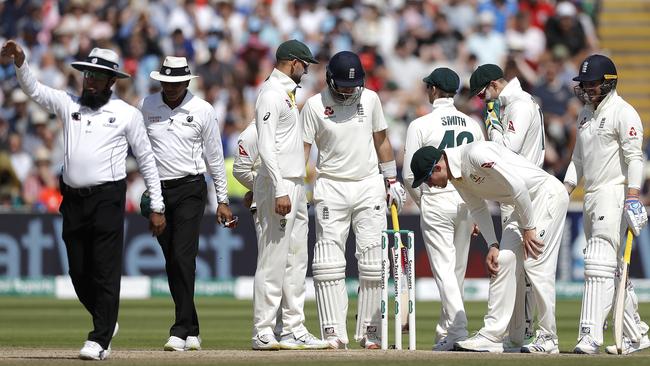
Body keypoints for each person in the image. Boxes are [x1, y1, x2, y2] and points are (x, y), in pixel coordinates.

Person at [1, 40, 166, 360]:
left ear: (111, 81)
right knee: (78, 271)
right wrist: (21, 62)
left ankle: (100, 338)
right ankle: (106, 319)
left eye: (97, 75)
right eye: (87, 73)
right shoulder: (69, 103)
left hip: (108, 197)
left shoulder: (126, 114)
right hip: (73, 199)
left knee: (105, 268)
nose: (90, 79)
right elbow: (35, 90)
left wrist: (157, 205)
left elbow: (146, 160)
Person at [410, 141, 568, 354]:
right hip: (520, 206)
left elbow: (518, 185)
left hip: (545, 196)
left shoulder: (476, 155)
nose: (429, 185)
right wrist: (492, 244)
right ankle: (492, 336)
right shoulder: (457, 177)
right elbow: (477, 207)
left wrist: (529, 227)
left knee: (535, 264)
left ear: (437, 167)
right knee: (503, 261)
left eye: (428, 179)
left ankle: (549, 338)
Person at [302, 50, 407, 349]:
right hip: (330, 186)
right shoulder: (313, 106)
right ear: (330, 80)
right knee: (328, 263)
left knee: (374, 262)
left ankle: (370, 332)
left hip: (368, 184)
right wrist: (297, 187)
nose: (349, 90)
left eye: (354, 85)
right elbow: (303, 149)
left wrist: (391, 179)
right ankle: (333, 331)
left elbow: (382, 140)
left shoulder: (370, 99)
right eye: (344, 85)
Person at [139, 56, 234, 352]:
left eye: (176, 82)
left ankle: (179, 330)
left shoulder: (202, 109)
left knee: (183, 257)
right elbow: (139, 147)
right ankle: (191, 326)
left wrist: (222, 200)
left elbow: (215, 157)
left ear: (186, 82)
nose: (170, 87)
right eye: (165, 82)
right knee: (172, 261)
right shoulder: (147, 105)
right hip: (158, 190)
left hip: (191, 187)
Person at [565, 54, 650, 355]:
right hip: (590, 195)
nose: (586, 89)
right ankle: (635, 333)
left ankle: (590, 335)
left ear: (608, 83)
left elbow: (634, 158)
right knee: (614, 271)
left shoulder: (624, 113)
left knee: (598, 265)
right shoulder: (585, 113)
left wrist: (633, 195)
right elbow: (578, 157)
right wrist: (565, 191)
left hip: (614, 194)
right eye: (584, 84)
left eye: (591, 84)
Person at [251, 39, 328, 350]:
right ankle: (263, 330)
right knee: (273, 260)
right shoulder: (270, 94)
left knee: (296, 259)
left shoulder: (285, 94)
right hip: (279, 184)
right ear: (293, 63)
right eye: (304, 65)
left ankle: (293, 328)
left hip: (295, 184)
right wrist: (281, 187)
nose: (306, 70)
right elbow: (266, 146)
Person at [402, 67, 484, 351]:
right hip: (466, 199)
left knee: (445, 271)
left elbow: (408, 175)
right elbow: (480, 170)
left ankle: (458, 330)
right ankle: (445, 332)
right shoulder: (472, 124)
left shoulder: (421, 125)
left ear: (434, 91)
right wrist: (476, 211)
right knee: (456, 271)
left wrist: (424, 200)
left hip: (436, 197)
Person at [469, 63, 545, 351]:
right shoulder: (515, 103)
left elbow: (507, 151)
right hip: (516, 192)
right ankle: (516, 335)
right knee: (516, 268)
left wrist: (491, 123)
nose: (482, 100)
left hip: (520, 193)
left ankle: (509, 333)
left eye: (482, 94)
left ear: (493, 86)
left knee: (516, 266)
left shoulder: (519, 105)